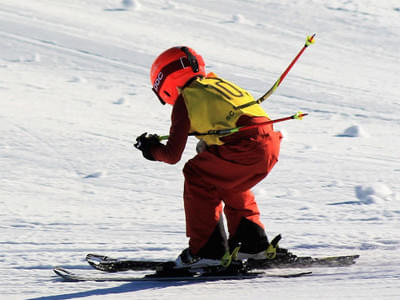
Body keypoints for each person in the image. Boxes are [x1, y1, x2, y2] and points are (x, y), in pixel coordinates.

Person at [135, 46, 283, 268]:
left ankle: (207, 251)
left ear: (163, 84)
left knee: (196, 174)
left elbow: (172, 155)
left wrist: (151, 149)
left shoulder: (187, 99)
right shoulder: (216, 84)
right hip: (269, 143)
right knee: (224, 177)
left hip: (246, 148)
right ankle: (251, 245)